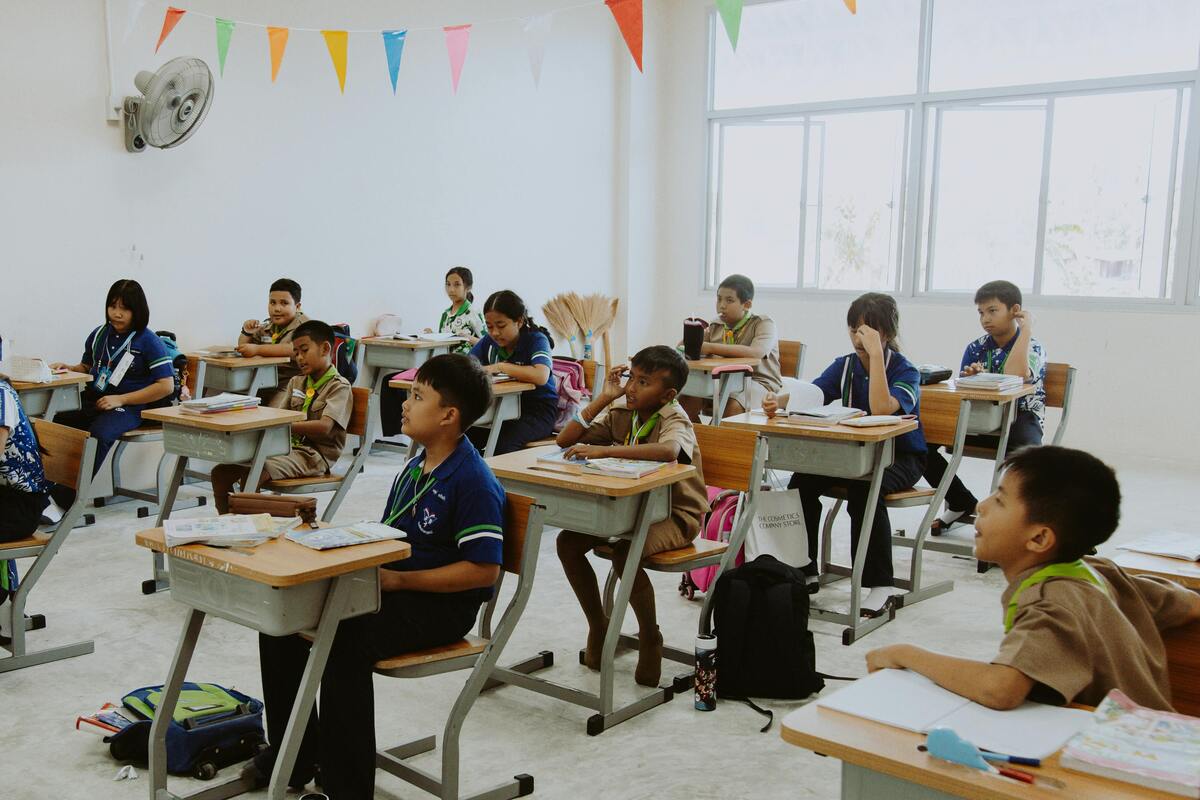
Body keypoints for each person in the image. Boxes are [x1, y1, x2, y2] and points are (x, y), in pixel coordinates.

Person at [244, 354, 505, 799]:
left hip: (438, 606)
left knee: (342, 639)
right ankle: (296, 754)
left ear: (448, 415)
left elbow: (483, 570)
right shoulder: (416, 467)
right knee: (282, 621)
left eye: (418, 396)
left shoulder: (472, 480)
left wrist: (401, 582)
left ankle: (347, 787)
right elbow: (389, 535)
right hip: (389, 588)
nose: (405, 403)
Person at [866, 446, 1200, 711]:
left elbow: (1000, 689)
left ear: (1039, 538)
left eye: (1000, 500)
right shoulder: (1098, 570)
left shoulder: (1051, 600)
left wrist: (906, 654)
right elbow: (1188, 604)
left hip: (1117, 757)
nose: (981, 506)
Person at [763, 292, 925, 617]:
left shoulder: (906, 370)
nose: (858, 338)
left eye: (867, 331)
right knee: (801, 483)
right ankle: (804, 568)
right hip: (854, 455)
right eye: (853, 330)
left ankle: (880, 585)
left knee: (865, 490)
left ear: (887, 333)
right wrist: (778, 402)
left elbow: (882, 408)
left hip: (900, 457)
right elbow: (814, 394)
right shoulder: (846, 365)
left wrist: (876, 356)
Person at [555, 346, 707, 686]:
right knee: (567, 542)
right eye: (631, 377)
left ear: (667, 394)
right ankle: (598, 622)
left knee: (626, 552)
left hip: (675, 516)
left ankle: (650, 635)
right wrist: (604, 398)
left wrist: (603, 450)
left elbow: (669, 450)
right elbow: (565, 440)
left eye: (643, 382)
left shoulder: (674, 417)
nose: (632, 388)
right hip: (627, 510)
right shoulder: (623, 410)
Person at [924, 279, 1047, 534]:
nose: (985, 319)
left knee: (1029, 461)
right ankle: (960, 500)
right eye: (981, 312)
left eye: (992, 311)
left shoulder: (1032, 345)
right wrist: (971, 379)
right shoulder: (976, 348)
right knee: (918, 446)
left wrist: (1026, 329)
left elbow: (1016, 375)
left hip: (1020, 418)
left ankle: (1023, 522)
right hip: (980, 419)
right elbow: (961, 391)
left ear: (1015, 310)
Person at [210, 321, 352, 513]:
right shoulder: (297, 382)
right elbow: (278, 415)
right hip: (284, 449)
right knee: (220, 473)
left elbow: (325, 427)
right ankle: (228, 521)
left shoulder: (339, 386)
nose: (299, 358)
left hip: (313, 455)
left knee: (254, 473)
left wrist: (283, 425)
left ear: (325, 349)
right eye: (296, 352)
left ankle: (251, 524)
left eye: (304, 350)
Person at [51, 279, 175, 474]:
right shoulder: (98, 334)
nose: (116, 313)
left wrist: (121, 399)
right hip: (95, 399)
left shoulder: (150, 341)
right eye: (112, 306)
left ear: (138, 310)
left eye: (124, 309)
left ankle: (73, 491)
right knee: (57, 421)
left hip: (130, 406)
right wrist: (69, 368)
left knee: (100, 434)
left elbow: (166, 386)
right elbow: (87, 366)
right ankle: (48, 484)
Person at [380, 267, 485, 436]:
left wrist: (468, 338)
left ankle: (419, 430)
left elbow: (487, 342)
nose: (451, 289)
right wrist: (432, 335)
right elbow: (444, 339)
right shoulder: (446, 314)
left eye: (457, 285)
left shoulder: (473, 312)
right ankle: (398, 432)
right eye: (448, 284)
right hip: (444, 364)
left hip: (462, 368)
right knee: (390, 380)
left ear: (468, 287)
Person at [466, 290, 558, 454]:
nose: (495, 332)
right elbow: (467, 366)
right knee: (462, 436)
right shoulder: (489, 342)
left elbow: (541, 375)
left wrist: (502, 367)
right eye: (489, 326)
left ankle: (497, 471)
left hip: (537, 412)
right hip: (499, 408)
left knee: (502, 444)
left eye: (501, 326)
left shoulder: (536, 339)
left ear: (519, 321)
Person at [681, 273, 781, 421]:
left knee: (732, 406)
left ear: (747, 305)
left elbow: (756, 353)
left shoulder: (763, 323)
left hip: (757, 381)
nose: (721, 305)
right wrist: (690, 338)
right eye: (719, 299)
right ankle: (697, 436)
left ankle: (719, 436)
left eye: (729, 300)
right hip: (720, 380)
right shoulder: (716, 324)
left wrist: (709, 347)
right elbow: (691, 348)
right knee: (684, 401)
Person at [236, 278, 309, 403]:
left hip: (293, 384)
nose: (277, 309)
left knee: (273, 412)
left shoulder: (306, 326)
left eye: (284, 303)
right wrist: (246, 332)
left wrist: (257, 349)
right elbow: (243, 348)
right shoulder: (268, 326)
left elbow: (292, 349)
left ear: (297, 306)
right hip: (264, 382)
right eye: (272, 303)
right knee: (238, 403)